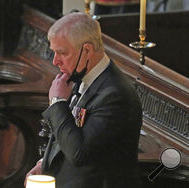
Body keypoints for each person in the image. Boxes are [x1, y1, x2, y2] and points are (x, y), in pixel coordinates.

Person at [25, 12, 142, 188]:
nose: (55, 61)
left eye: (62, 53)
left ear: (87, 50)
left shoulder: (115, 95)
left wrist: (57, 103)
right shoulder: (81, 77)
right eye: (54, 52)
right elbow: (67, 133)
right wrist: (44, 164)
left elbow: (79, 152)